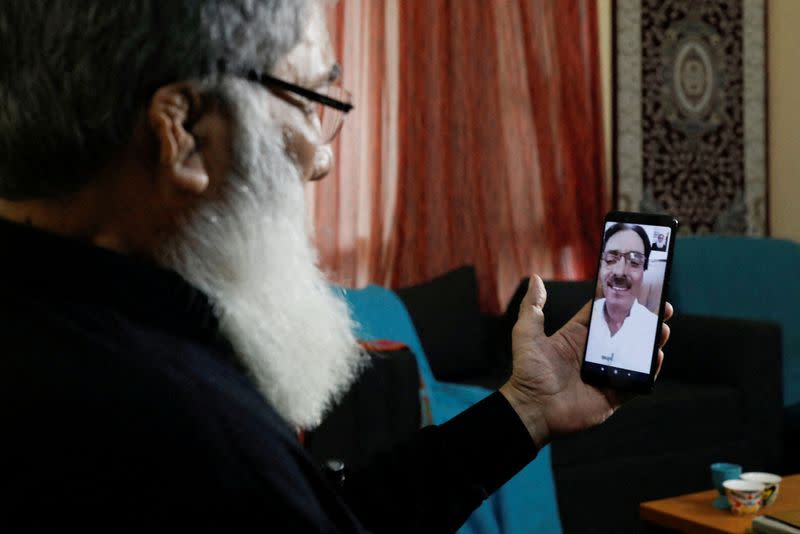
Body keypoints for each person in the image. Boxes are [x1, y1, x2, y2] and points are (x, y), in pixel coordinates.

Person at [0, 1, 672, 530]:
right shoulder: (176, 426)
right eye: (310, 101)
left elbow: (329, 512)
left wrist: (525, 409)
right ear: (184, 134)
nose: (321, 158)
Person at [586, 223, 660, 373]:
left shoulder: (652, 327)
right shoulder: (583, 321)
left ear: (644, 271)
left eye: (634, 262)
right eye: (611, 259)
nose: (620, 272)